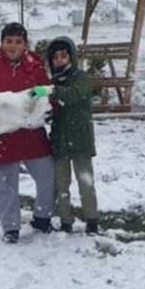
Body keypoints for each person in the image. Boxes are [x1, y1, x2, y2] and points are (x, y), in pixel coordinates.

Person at [0, 22, 55, 244]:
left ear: (25, 44)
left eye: (18, 42)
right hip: (2, 139)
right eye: (9, 41)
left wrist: (48, 108)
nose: (13, 46)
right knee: (6, 186)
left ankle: (42, 217)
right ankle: (11, 227)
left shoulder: (35, 68)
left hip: (32, 136)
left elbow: (46, 92)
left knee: (47, 177)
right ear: (2, 43)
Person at [44, 37, 100, 235]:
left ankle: (92, 219)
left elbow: (73, 94)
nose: (59, 60)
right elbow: (53, 108)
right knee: (61, 184)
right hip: (60, 141)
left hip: (80, 141)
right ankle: (65, 219)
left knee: (85, 183)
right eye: (55, 57)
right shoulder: (52, 83)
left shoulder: (81, 78)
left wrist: (52, 91)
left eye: (63, 55)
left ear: (71, 57)